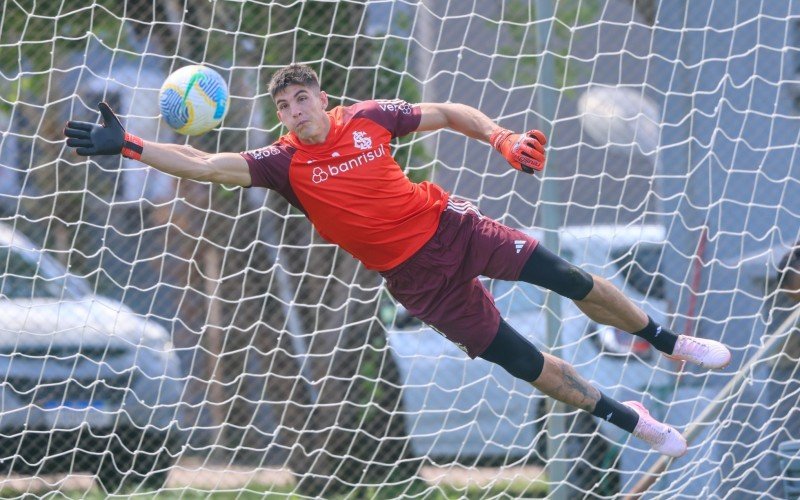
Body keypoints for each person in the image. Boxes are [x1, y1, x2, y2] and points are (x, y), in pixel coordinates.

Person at [63, 63, 732, 458]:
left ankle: (671, 341)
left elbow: (445, 111)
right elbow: (205, 163)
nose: (296, 112)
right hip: (419, 285)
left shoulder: (372, 118)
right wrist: (131, 146)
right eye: (284, 106)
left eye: (303, 99)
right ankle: (635, 421)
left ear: (322, 99)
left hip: (453, 229)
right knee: (523, 362)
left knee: (569, 277)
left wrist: (499, 137)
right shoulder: (281, 164)